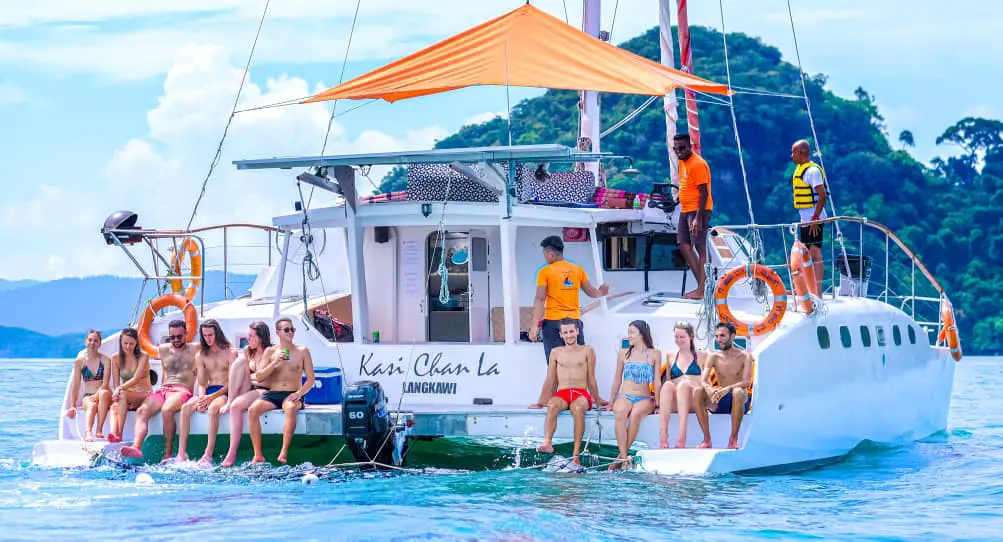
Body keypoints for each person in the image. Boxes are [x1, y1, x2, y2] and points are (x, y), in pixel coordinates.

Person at [120, 319, 197, 461]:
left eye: (179, 336)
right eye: (172, 337)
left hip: (182, 390)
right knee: (142, 411)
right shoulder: (163, 349)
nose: (175, 340)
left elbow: (218, 346)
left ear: (186, 333)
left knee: (167, 410)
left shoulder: (194, 349)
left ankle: (168, 453)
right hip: (164, 389)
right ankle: (136, 447)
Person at [531, 318, 604, 466]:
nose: (569, 335)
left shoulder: (587, 350)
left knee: (577, 408)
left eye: (571, 331)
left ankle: (576, 454)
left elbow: (591, 378)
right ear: (561, 334)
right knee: (552, 405)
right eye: (566, 332)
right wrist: (541, 402)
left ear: (577, 331)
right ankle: (548, 443)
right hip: (563, 393)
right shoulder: (555, 352)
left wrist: (597, 400)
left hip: (581, 394)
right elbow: (551, 379)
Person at [528, 235, 609, 365]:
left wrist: (534, 327)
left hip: (553, 323)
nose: (545, 257)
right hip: (573, 323)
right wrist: (601, 292)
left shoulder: (545, 272)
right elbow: (592, 292)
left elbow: (540, 298)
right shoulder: (578, 270)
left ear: (551, 254)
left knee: (555, 366)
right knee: (579, 363)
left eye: (545, 254)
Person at [247, 318, 315, 464]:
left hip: (293, 393)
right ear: (278, 332)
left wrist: (299, 393)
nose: (290, 332)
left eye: (292, 329)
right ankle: (258, 455)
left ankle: (283, 452)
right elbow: (259, 377)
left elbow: (311, 379)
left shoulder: (302, 351)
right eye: (286, 330)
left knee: (290, 408)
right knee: (253, 409)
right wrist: (274, 362)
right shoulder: (270, 352)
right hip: (273, 393)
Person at [177, 319, 235, 464]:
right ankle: (181, 453)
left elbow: (233, 382)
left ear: (217, 334)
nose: (207, 338)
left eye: (210, 335)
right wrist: (202, 397)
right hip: (209, 391)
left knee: (214, 408)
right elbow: (202, 382)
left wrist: (211, 398)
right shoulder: (201, 355)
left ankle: (207, 454)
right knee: (185, 407)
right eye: (204, 335)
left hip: (224, 391)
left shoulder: (230, 352)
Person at [606, 320, 661, 470]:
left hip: (644, 397)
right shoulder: (624, 354)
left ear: (641, 333)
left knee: (636, 414)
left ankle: (619, 459)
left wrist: (658, 403)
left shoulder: (655, 354)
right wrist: (611, 401)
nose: (628, 335)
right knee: (620, 412)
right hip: (625, 395)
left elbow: (657, 381)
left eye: (631, 332)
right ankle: (624, 457)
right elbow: (617, 379)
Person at [221, 321, 273, 468]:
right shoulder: (248, 351)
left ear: (261, 338)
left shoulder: (271, 351)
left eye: (251, 336)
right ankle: (230, 399)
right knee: (239, 362)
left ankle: (232, 452)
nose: (248, 339)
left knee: (237, 406)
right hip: (251, 386)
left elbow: (264, 378)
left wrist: (252, 377)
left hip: (265, 389)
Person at [694, 322, 754, 449]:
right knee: (698, 391)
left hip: (739, 399)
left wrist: (727, 389)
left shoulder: (745, 356)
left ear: (732, 336)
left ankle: (733, 439)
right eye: (716, 336)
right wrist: (709, 389)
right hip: (721, 399)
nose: (718, 340)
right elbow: (703, 380)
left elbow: (746, 382)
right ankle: (706, 439)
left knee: (738, 392)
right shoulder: (713, 356)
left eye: (722, 336)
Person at [673, 133, 714, 300]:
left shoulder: (698, 164)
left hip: (699, 210)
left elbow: (704, 192)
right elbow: (686, 185)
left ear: (690, 146)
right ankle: (703, 286)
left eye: (682, 148)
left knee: (700, 247)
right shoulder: (682, 162)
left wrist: (698, 218)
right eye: (675, 149)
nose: (679, 151)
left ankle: (702, 288)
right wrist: (676, 199)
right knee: (684, 245)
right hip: (685, 208)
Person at [657, 321, 709, 449]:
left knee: (683, 385)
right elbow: (668, 379)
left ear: (690, 337)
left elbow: (706, 382)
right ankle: (663, 435)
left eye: (682, 337)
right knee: (668, 385)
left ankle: (682, 436)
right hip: (677, 402)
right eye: (676, 337)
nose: (678, 340)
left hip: (695, 400)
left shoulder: (703, 355)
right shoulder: (670, 356)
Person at [791, 139, 828, 294]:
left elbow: (822, 195)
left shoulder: (812, 171)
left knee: (814, 254)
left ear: (801, 153)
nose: (791, 155)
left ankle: (817, 291)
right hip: (805, 220)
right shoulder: (801, 169)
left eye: (793, 152)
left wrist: (815, 218)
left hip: (814, 219)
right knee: (805, 254)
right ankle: (807, 290)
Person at [64, 330, 112, 441]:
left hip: (103, 393)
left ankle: (99, 429)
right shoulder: (79, 362)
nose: (92, 343)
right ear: (86, 342)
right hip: (88, 395)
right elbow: (75, 385)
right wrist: (73, 405)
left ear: (100, 343)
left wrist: (96, 396)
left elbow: (105, 383)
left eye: (96, 341)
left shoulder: (105, 360)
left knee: (104, 393)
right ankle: (88, 433)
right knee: (91, 405)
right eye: (90, 340)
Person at [107, 328, 152, 443]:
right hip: (127, 394)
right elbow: (116, 383)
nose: (128, 346)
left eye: (131, 343)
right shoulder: (115, 358)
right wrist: (117, 392)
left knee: (122, 394)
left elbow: (136, 379)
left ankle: (120, 434)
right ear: (120, 343)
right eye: (125, 343)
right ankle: (112, 433)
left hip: (144, 393)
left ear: (136, 343)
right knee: (114, 406)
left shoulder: (143, 356)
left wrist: (119, 389)